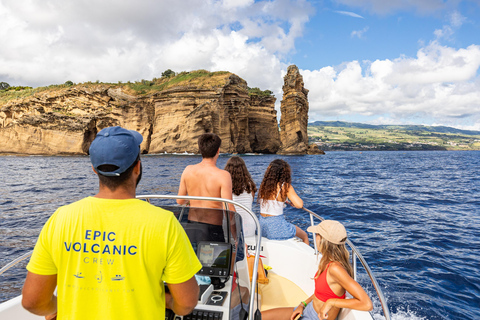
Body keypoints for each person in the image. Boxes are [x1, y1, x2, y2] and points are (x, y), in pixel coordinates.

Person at [22, 126, 202, 320]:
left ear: (94, 169)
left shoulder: (61, 218)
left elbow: (33, 301)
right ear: (137, 168)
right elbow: (187, 303)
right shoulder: (165, 224)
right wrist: (168, 301)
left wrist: (60, 307)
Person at [262, 220, 373, 320]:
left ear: (323, 240)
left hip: (315, 317)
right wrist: (303, 304)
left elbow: (367, 304)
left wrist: (331, 302)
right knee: (259, 316)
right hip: (307, 310)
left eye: (317, 235)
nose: (315, 238)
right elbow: (321, 293)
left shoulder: (335, 269)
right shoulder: (326, 261)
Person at [177, 133, 235, 247]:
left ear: (200, 150)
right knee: (212, 264)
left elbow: (179, 201)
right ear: (218, 151)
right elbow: (229, 209)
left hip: (191, 228)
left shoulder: (188, 170)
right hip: (212, 230)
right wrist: (237, 237)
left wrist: (191, 201)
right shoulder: (223, 175)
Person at [257, 159, 309, 244]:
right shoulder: (285, 186)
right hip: (276, 226)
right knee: (304, 236)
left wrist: (284, 200)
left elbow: (272, 202)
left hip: (261, 225)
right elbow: (299, 205)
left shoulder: (264, 185)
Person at [224, 156, 257, 237]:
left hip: (232, 228)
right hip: (250, 227)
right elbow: (250, 202)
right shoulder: (250, 185)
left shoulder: (226, 186)